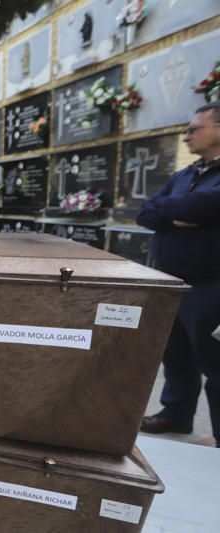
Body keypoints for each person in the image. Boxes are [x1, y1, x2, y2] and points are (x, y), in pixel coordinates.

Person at [137, 102, 220, 448]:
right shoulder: (187, 174)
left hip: (211, 284)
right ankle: (176, 413)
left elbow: (205, 206)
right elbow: (145, 211)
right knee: (176, 354)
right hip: (172, 282)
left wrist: (173, 211)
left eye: (193, 129)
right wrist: (179, 214)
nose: (186, 136)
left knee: (215, 364)